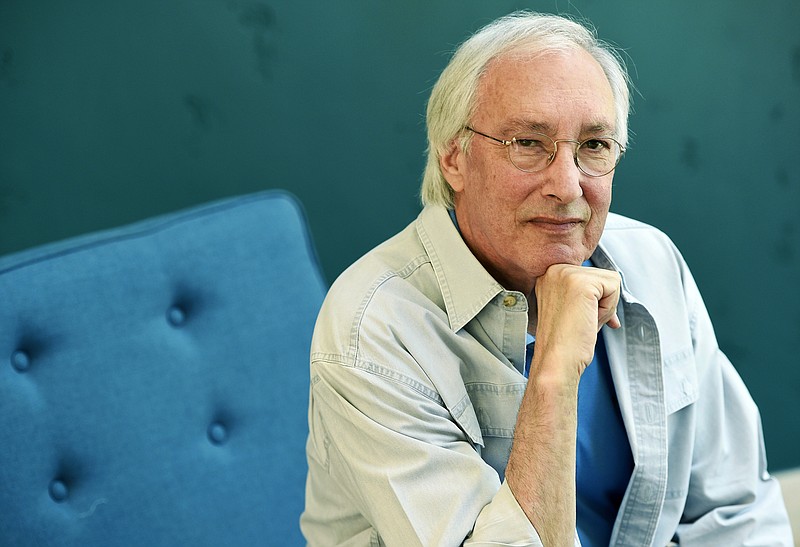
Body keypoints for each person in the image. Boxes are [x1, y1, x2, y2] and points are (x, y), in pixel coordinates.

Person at [300, 11, 793, 546]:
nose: (566, 185)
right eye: (528, 144)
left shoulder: (650, 260)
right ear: (453, 159)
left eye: (594, 146)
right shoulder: (373, 328)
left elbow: (735, 508)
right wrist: (555, 373)